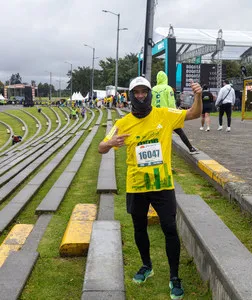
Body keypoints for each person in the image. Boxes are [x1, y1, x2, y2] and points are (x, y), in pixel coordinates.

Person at [98, 76, 202, 300]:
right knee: (139, 227)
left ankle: (174, 276)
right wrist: (109, 143)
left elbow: (193, 114)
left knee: (169, 228)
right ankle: (147, 265)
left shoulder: (164, 115)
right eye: (136, 92)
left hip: (162, 183)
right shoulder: (122, 123)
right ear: (131, 95)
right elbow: (101, 147)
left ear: (149, 94)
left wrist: (198, 96)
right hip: (136, 185)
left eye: (144, 92)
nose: (141, 96)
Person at [152, 70, 199, 154]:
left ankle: (157, 153)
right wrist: (175, 112)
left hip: (156, 116)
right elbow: (171, 103)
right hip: (168, 115)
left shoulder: (153, 89)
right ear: (165, 78)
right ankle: (191, 148)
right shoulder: (168, 88)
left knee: (158, 135)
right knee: (180, 132)